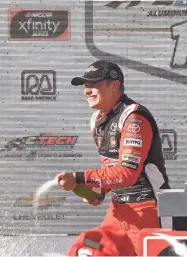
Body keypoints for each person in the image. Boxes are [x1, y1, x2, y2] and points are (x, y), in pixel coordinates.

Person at [55, 60, 170, 256]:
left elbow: (128, 174)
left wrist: (81, 178)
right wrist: (95, 191)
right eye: (86, 86)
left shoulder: (134, 118)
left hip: (148, 211)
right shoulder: (97, 120)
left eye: (95, 84)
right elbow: (111, 172)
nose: (88, 91)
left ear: (114, 85)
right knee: (86, 248)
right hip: (117, 212)